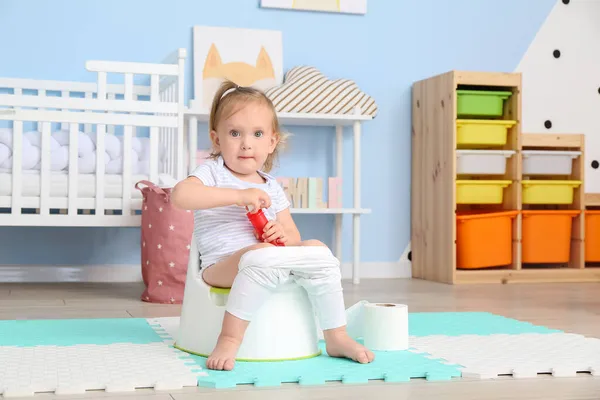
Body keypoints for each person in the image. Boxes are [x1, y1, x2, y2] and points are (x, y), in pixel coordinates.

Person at [171, 80, 375, 371]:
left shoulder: (272, 188)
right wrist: (238, 196)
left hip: (270, 259)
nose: (246, 143)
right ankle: (229, 338)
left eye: (257, 133)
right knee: (260, 255)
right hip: (222, 266)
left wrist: (283, 235)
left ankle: (336, 335)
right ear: (217, 140)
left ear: (271, 141)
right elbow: (180, 196)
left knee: (320, 252)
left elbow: (292, 235)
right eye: (234, 133)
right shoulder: (212, 172)